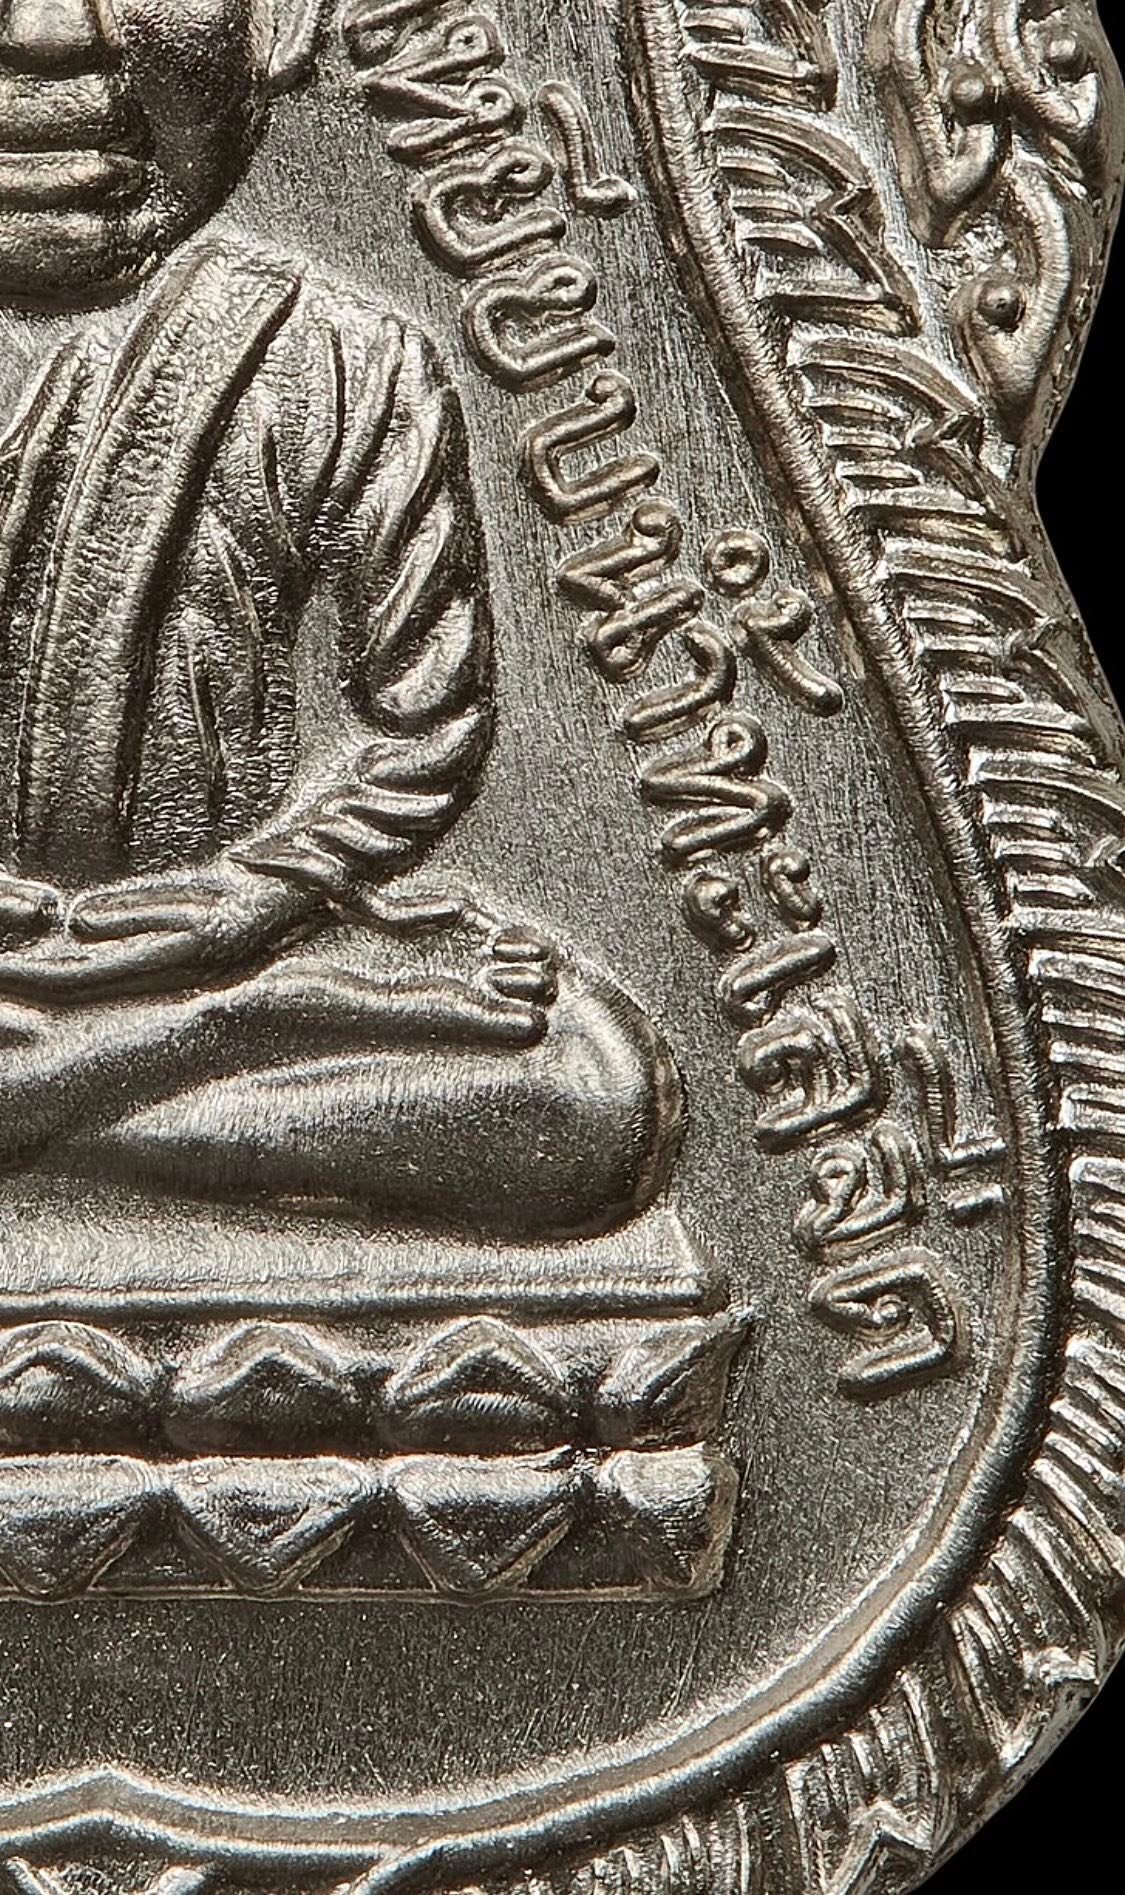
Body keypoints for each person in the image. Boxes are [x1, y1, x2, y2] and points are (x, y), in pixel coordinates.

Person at [0, 0, 681, 1241]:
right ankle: (175, 1062)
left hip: (224, 947)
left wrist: (253, 897)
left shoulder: (343, 356)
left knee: (586, 1087)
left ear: (283, 26)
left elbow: (418, 732)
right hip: (215, 1003)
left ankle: (90, 1087)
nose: (50, 35)